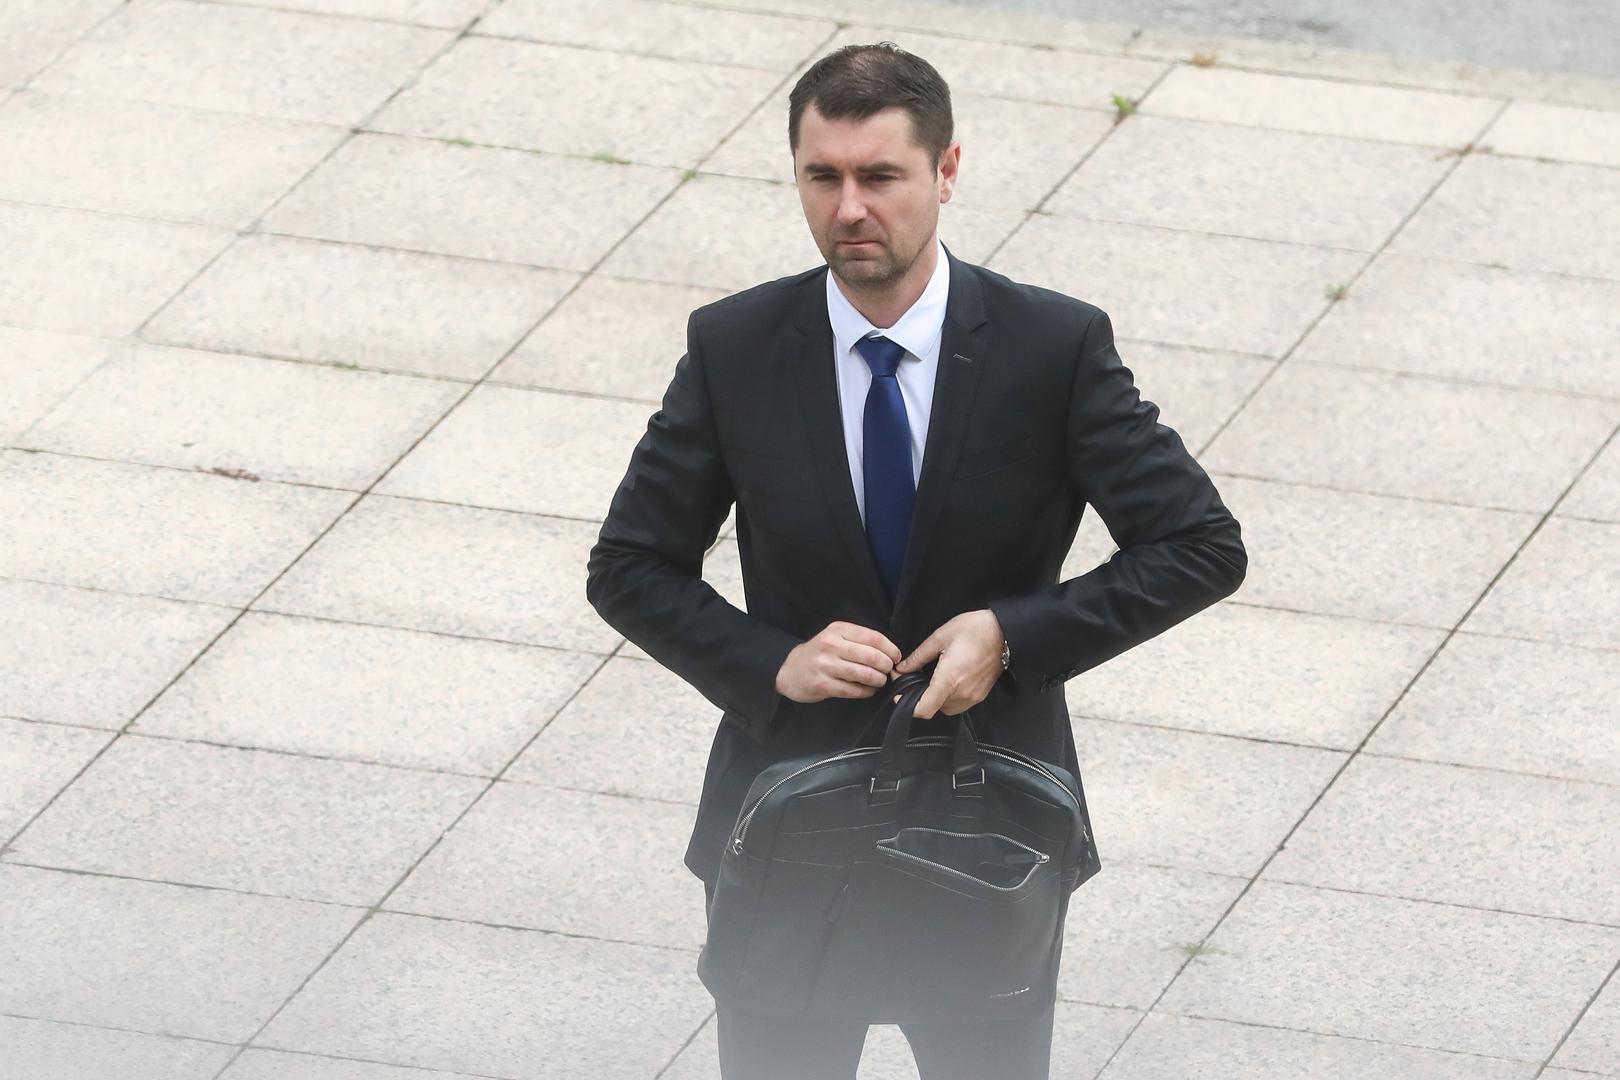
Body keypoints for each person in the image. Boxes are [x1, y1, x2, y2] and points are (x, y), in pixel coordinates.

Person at [585, 41, 1246, 1080]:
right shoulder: (736, 347)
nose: (849, 208)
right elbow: (629, 564)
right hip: (791, 809)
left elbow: (1201, 545)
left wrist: (1012, 637)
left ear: (946, 172)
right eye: (822, 177)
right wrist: (772, 661)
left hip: (987, 819)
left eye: (880, 177)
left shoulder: (1051, 349)